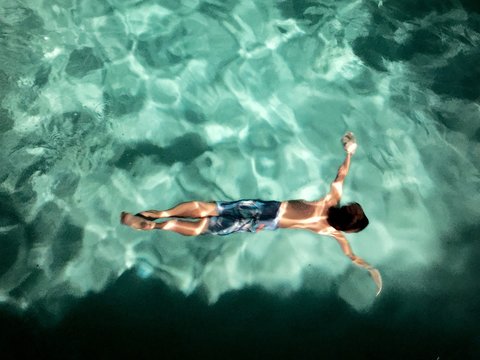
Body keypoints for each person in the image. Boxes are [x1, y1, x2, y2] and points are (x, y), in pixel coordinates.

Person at [121, 132, 382, 295]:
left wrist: (349, 152)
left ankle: (159, 214)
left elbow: (341, 175)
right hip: (267, 223)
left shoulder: (329, 201)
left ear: (347, 209)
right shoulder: (331, 231)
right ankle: (158, 226)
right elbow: (351, 256)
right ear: (346, 228)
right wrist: (371, 268)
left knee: (210, 207)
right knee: (206, 226)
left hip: (267, 208)